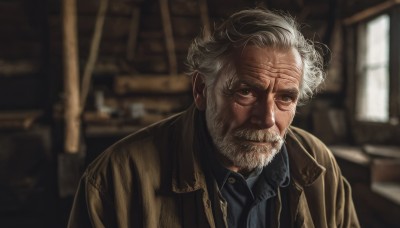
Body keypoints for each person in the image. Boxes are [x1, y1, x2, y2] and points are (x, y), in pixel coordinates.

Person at [68, 8, 359, 228]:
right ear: (201, 90)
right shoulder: (115, 179)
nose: (267, 118)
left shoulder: (318, 164)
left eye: (286, 98)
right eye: (245, 92)